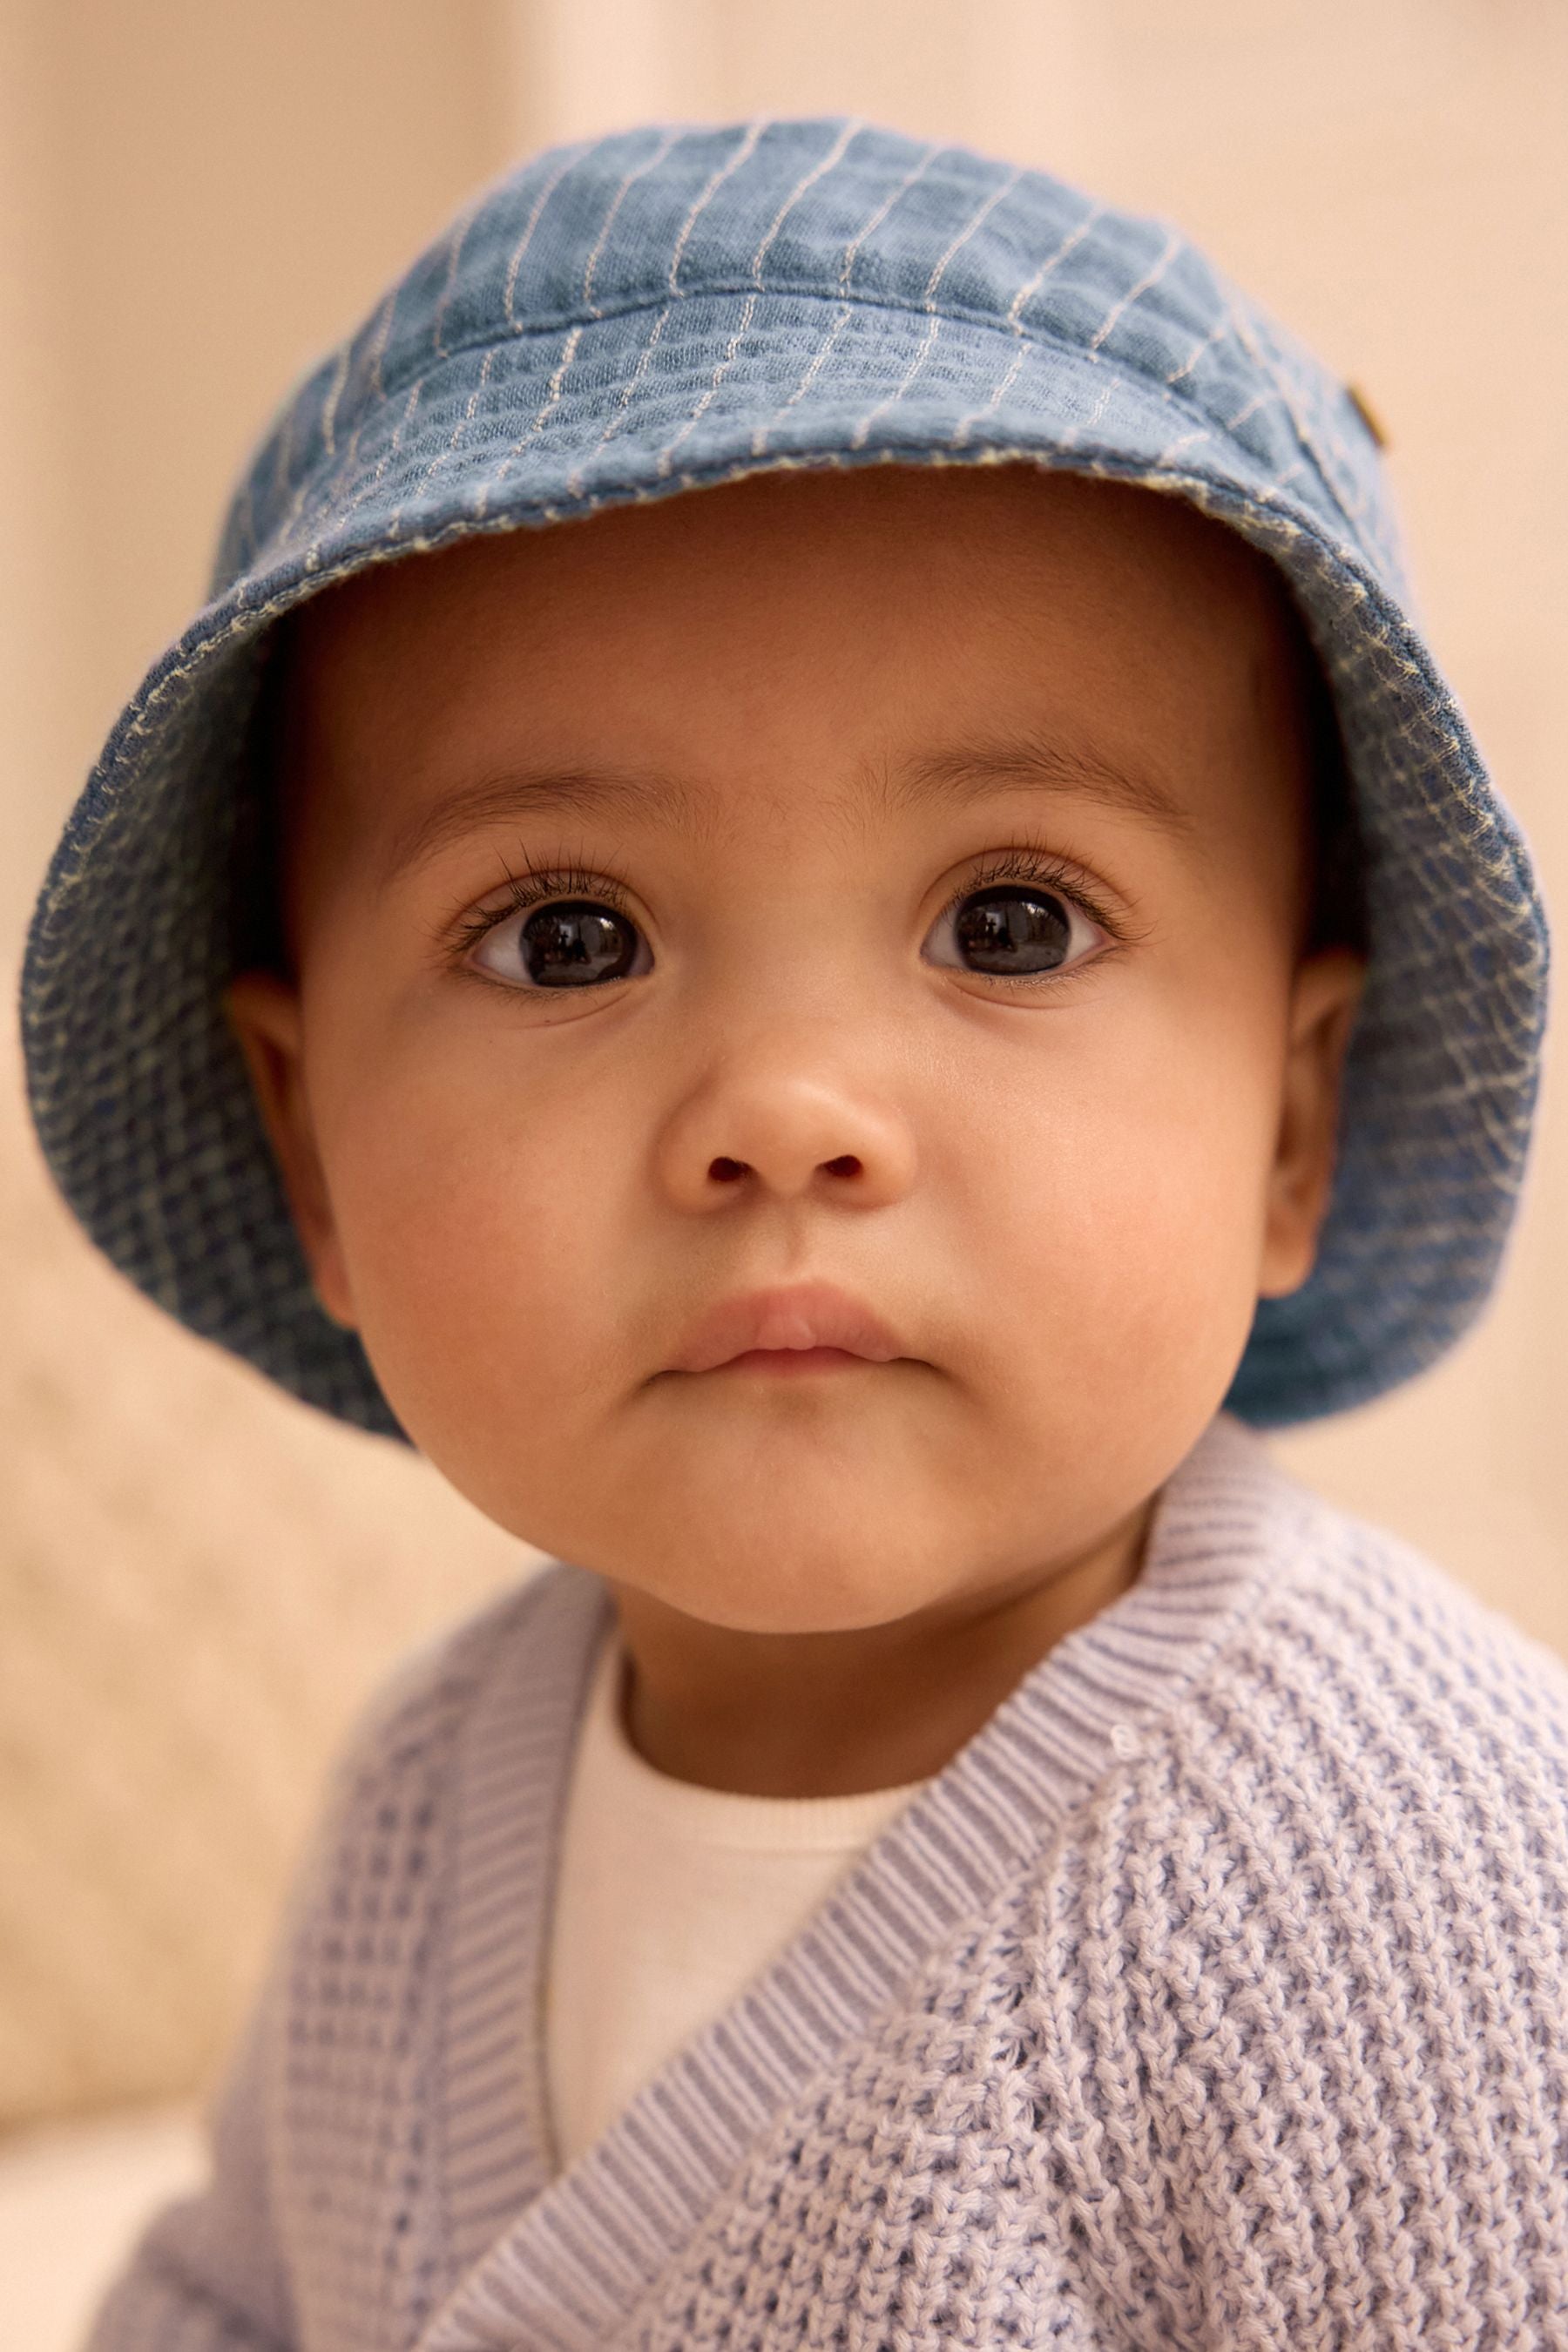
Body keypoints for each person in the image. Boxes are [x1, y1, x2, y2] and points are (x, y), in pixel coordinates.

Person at [22, 118, 1567, 2349]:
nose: (784, 1116)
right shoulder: (429, 1809)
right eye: (568, 938)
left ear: (1292, 1125)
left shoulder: (1425, 1893)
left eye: (1010, 919)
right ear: (308, 1147)